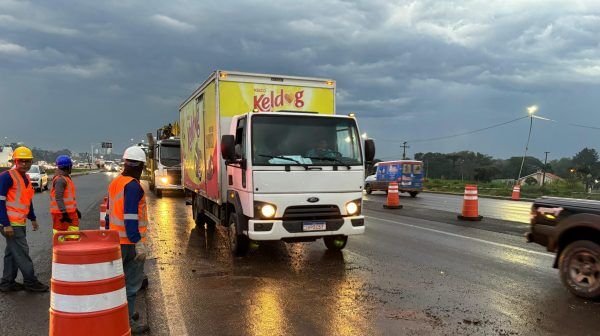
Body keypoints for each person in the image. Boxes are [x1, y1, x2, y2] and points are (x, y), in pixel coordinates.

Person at [106, 146, 149, 334]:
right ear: (140, 166)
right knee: (131, 284)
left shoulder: (117, 182)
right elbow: (130, 216)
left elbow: (109, 214)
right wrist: (137, 241)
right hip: (129, 243)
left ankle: (124, 314)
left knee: (118, 282)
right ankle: (127, 324)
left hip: (115, 241)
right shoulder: (133, 186)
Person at [0, 146, 49, 292]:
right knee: (22, 252)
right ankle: (30, 282)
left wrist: (32, 218)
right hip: (9, 223)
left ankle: (7, 282)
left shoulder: (26, 178)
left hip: (19, 222)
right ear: (15, 161)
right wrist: (6, 224)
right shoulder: (6, 177)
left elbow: (28, 200)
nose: (24, 164)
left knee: (12, 252)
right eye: (21, 161)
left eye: (27, 161)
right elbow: (0, 201)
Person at [50, 155, 81, 239]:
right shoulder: (60, 179)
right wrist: (64, 213)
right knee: (60, 237)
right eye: (71, 166)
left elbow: (69, 198)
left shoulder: (66, 178)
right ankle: (61, 252)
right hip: (60, 214)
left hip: (70, 213)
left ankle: (72, 250)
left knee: (74, 235)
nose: (71, 168)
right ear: (67, 166)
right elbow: (58, 197)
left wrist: (75, 209)